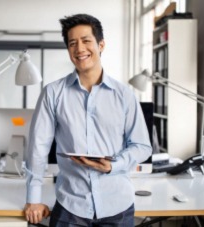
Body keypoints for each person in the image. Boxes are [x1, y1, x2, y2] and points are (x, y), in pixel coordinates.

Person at [24, 14, 152, 226]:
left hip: (117, 205)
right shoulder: (53, 93)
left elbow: (142, 146)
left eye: (86, 41)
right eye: (72, 43)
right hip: (70, 206)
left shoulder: (124, 95)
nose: (79, 49)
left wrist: (113, 165)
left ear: (101, 45)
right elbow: (38, 148)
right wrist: (33, 199)